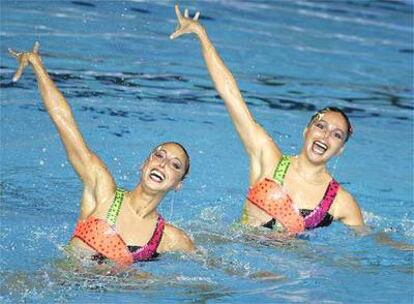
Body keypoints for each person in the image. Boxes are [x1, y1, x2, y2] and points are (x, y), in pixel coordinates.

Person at [170, 5, 364, 234]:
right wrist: (201, 34)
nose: (325, 135)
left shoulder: (340, 202)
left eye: (336, 134)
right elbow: (230, 94)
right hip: (239, 260)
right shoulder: (267, 156)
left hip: (293, 268)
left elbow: (371, 246)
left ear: (340, 149)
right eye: (320, 126)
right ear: (306, 131)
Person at [8, 42, 195, 268]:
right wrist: (38, 66)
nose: (163, 164)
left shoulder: (170, 238)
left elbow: (207, 278)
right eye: (159, 155)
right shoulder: (103, 191)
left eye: (175, 165)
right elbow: (63, 121)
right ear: (144, 164)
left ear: (178, 184)